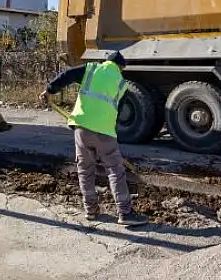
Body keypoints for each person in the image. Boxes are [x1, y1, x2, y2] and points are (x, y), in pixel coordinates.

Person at [40, 51, 148, 227]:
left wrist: (50, 90)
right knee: (115, 171)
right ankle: (125, 212)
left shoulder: (91, 69)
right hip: (105, 132)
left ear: (106, 62)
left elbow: (67, 75)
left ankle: (91, 210)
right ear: (120, 67)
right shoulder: (122, 85)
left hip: (82, 128)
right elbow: (118, 113)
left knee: (85, 169)